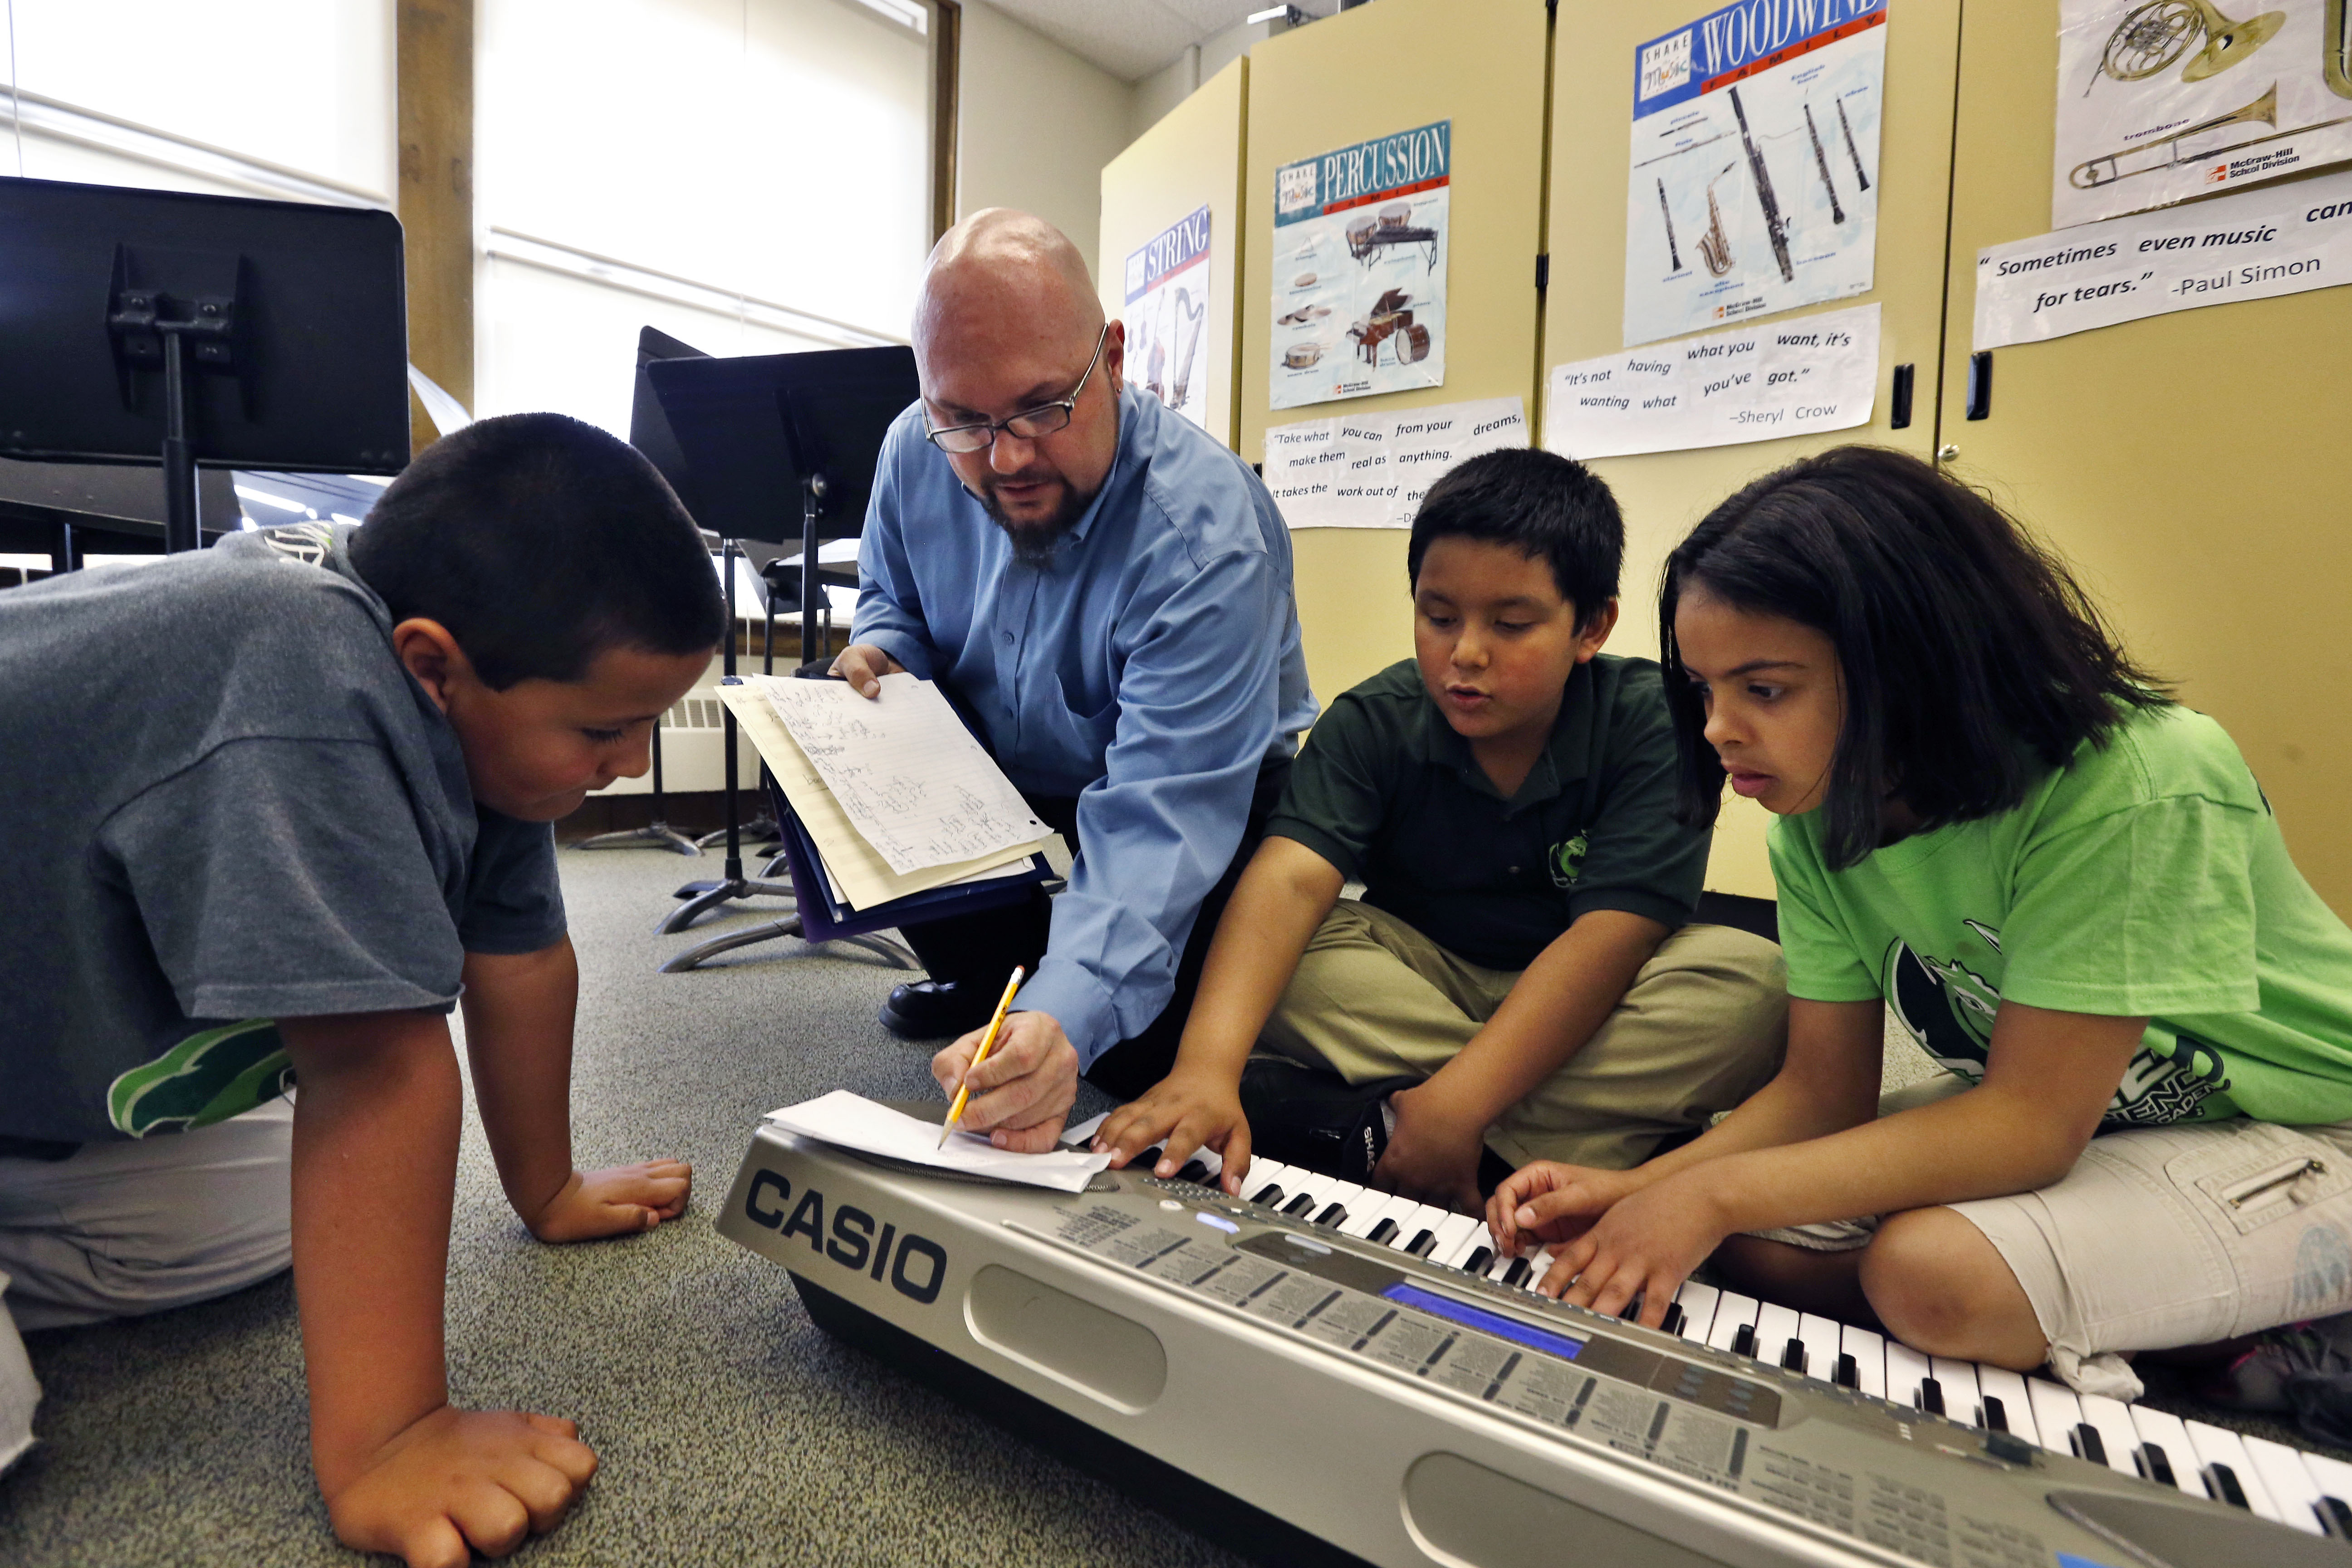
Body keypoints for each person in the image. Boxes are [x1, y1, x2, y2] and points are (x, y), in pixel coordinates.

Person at [0, 413, 720, 1566]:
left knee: (272, 1217)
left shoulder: (466, 714)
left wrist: (548, 1190)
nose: (631, 766)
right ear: (435, 665)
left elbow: (520, 957)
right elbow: (374, 1062)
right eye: (605, 729)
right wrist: (392, 1436)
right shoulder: (299, 671)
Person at [1487, 445, 2352, 1403]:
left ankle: (2263, 1329)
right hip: (2107, 1122)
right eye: (1703, 688)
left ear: (1913, 665)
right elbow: (1822, 1092)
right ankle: (2148, 1313)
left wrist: (1705, 1193)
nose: (1716, 728)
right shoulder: (1817, 817)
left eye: (1764, 690)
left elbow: (2028, 1125)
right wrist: (1640, 1192)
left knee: (1931, 1274)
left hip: (2302, 1123)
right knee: (1740, 1229)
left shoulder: (2135, 781)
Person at [1098, 449, 1788, 1215]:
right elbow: (1290, 880)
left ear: (1590, 627)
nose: (1466, 654)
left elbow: (1609, 943)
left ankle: (1412, 1123)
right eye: (1439, 616)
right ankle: (1577, 1139)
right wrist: (1205, 1069)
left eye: (1512, 623)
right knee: (1284, 949)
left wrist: (1457, 1108)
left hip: (1600, 992)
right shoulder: (1373, 720)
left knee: (1758, 986)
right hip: (1418, 979)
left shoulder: (1653, 720)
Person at [833, 209, 1315, 1150]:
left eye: (1043, 407)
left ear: (1116, 357)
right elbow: (893, 595)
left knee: (1132, 1055)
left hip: (1199, 788)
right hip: (1006, 769)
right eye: (965, 420)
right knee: (833, 718)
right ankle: (995, 985)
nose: (1006, 457)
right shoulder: (910, 450)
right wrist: (885, 650)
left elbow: (1161, 815)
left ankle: (1051, 1004)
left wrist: (1072, 1009)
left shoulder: (1203, 533)